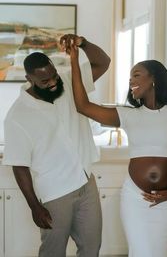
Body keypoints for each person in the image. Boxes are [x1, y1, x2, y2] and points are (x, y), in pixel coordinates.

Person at [67, 40, 167, 257]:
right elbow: (82, 106)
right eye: (130, 77)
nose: (130, 80)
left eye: (136, 75)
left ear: (154, 77)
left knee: (160, 253)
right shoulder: (128, 115)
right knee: (140, 251)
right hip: (136, 199)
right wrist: (75, 60)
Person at [3, 34, 111, 257]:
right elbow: (19, 165)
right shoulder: (17, 116)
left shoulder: (70, 82)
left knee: (92, 248)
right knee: (53, 252)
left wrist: (84, 44)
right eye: (45, 81)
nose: (52, 83)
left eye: (53, 76)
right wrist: (34, 206)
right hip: (54, 192)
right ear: (29, 79)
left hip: (85, 181)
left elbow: (103, 63)